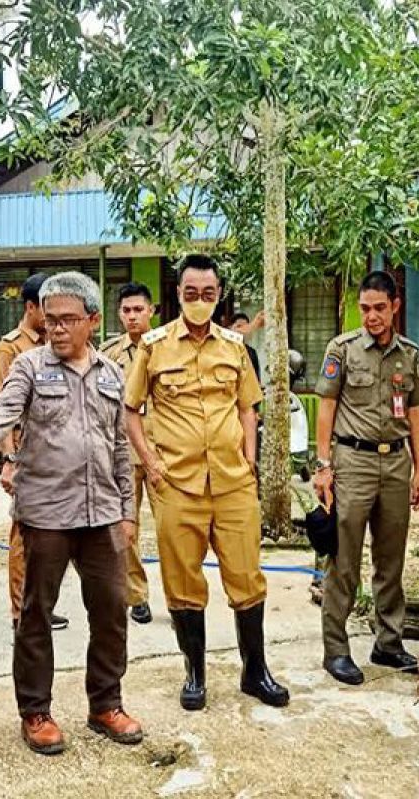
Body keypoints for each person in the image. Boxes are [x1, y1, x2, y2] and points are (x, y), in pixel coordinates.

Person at [0, 272, 143, 756]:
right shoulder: (31, 367)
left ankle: (105, 704)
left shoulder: (112, 374)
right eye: (50, 320)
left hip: (101, 515)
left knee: (110, 612)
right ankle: (35, 712)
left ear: (92, 321)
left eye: (68, 320)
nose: (56, 329)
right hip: (46, 514)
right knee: (35, 615)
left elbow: (119, 445)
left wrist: (127, 510)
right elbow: (2, 411)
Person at [124, 254, 289, 711]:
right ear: (178, 294)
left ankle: (255, 671)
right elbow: (130, 411)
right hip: (177, 485)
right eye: (191, 293)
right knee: (183, 581)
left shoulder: (235, 347)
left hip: (233, 484)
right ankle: (194, 673)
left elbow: (247, 407)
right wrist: (151, 463)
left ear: (220, 296)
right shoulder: (153, 347)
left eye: (209, 294)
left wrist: (251, 461)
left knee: (247, 578)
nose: (200, 301)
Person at [312, 270, 419, 686]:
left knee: (390, 558)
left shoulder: (409, 354)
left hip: (396, 464)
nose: (372, 316)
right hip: (352, 462)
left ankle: (389, 642)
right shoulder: (342, 350)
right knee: (343, 559)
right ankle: (336, 650)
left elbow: (416, 412)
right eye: (365, 308)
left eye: (380, 308)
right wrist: (322, 466)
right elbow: (326, 408)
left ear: (395, 306)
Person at [0, 273, 69, 633]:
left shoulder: (57, 342)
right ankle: (20, 611)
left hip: (56, 453)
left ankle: (42, 604)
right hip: (25, 453)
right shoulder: (10, 349)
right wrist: (9, 459)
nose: (56, 316)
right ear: (30, 307)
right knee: (23, 536)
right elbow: (3, 413)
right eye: (48, 308)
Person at [100, 283, 158, 625]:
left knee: (173, 529)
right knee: (125, 527)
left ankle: (184, 598)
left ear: (151, 311)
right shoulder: (108, 355)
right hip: (121, 455)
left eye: (139, 309)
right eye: (127, 310)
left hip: (162, 453)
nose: (133, 316)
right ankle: (137, 594)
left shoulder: (168, 348)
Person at [228, 312, 262, 382]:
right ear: (230, 328)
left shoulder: (252, 352)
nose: (242, 330)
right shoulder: (224, 350)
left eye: (246, 327)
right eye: (239, 326)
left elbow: (256, 379)